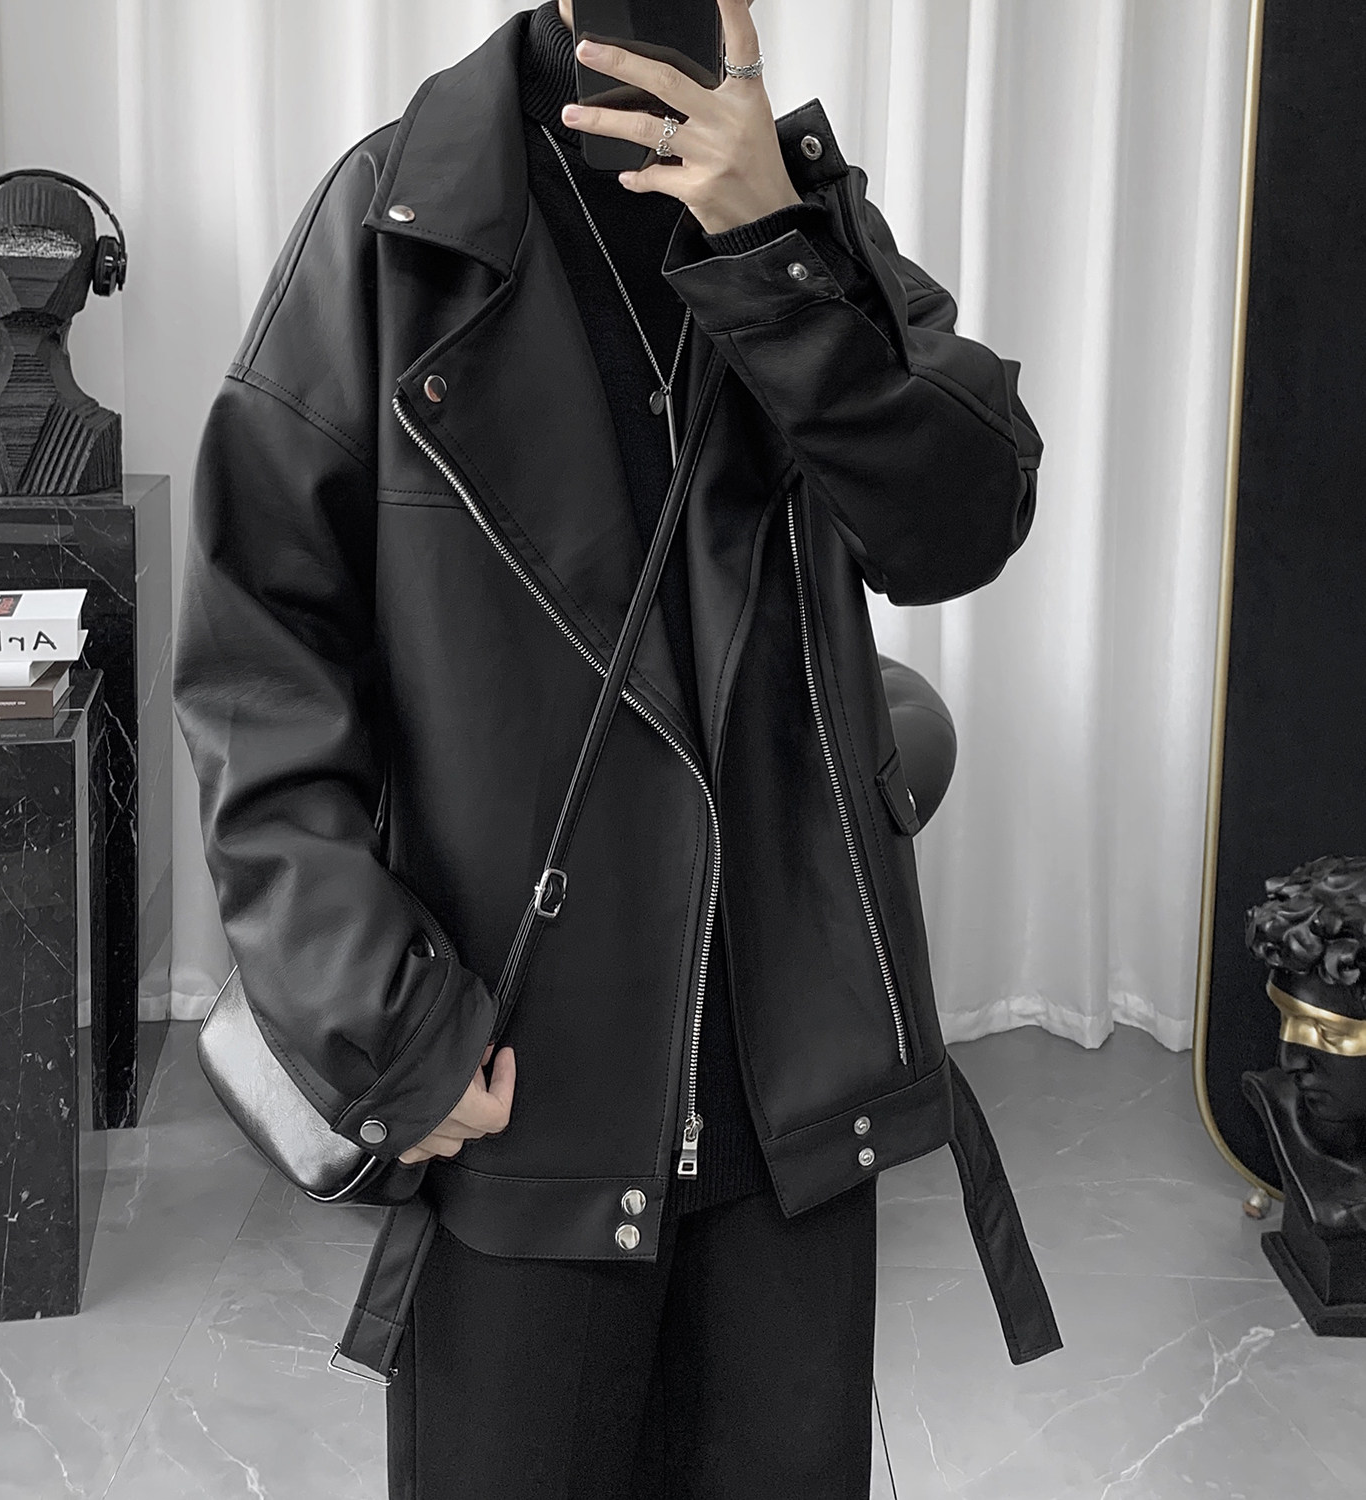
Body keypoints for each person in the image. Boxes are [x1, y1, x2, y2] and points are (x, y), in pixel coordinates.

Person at [172, 2, 1061, 1495]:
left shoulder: (801, 221)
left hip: (785, 1085)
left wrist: (777, 256)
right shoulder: (402, 226)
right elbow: (257, 653)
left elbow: (962, 524)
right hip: (517, 1081)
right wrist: (384, 1020)